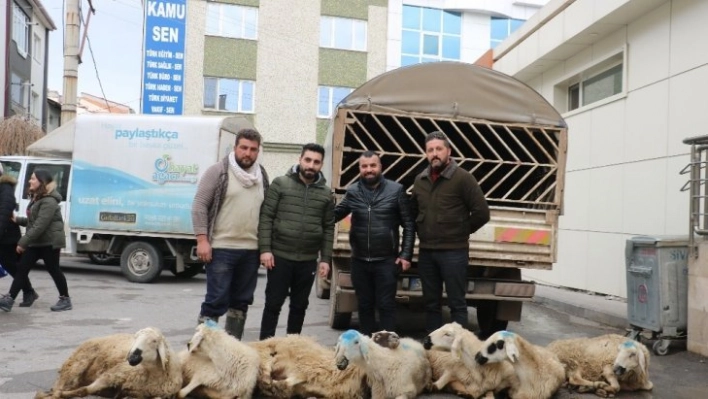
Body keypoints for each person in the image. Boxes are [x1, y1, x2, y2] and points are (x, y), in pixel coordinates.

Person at [192, 128, 269, 339]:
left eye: (253, 149)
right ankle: (202, 349)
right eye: (244, 148)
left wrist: (265, 248)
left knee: (241, 302)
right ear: (235, 148)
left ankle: (232, 351)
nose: (248, 153)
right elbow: (199, 205)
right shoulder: (218, 171)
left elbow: (265, 213)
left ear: (258, 151)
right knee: (216, 300)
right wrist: (202, 240)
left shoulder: (261, 175)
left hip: (251, 251)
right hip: (221, 249)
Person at [411, 131, 490, 335]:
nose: (435, 153)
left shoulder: (463, 178)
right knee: (431, 304)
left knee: (457, 304)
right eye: (430, 150)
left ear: (449, 151)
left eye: (439, 149)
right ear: (426, 153)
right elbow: (415, 212)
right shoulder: (420, 180)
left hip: (454, 253)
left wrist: (460, 232)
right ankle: (435, 353)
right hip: (427, 253)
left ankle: (459, 352)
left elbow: (482, 213)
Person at [258, 143, 335, 340]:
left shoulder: (326, 193)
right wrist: (265, 249)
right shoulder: (280, 184)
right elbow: (266, 217)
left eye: (316, 162)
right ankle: (267, 349)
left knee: (299, 307)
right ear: (300, 159)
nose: (311, 165)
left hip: (307, 260)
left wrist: (325, 259)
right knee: (273, 305)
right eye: (307, 160)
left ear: (321, 165)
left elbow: (328, 227)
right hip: (280, 257)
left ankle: (292, 350)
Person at [333, 151, 414, 335]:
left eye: (372, 165)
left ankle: (388, 350)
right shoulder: (352, 192)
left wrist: (405, 254)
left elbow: (409, 225)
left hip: (386, 261)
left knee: (386, 305)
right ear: (360, 168)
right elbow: (334, 215)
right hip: (359, 261)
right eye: (364, 166)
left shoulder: (396, 191)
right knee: (364, 306)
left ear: (380, 167)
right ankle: (368, 348)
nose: (369, 170)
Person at [0, 169, 71, 312]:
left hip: (49, 242)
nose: (29, 181)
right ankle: (9, 299)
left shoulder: (49, 201)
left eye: (33, 179)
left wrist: (23, 242)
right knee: (22, 269)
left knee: (54, 270)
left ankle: (65, 299)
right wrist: (18, 219)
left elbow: (40, 225)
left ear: (42, 182)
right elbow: (33, 221)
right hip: (37, 241)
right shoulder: (36, 199)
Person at [0, 164, 39, 307]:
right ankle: (28, 291)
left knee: (12, 266)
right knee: (13, 266)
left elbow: (4, 212)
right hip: (4, 235)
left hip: (7, 236)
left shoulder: (5, 188)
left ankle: (26, 292)